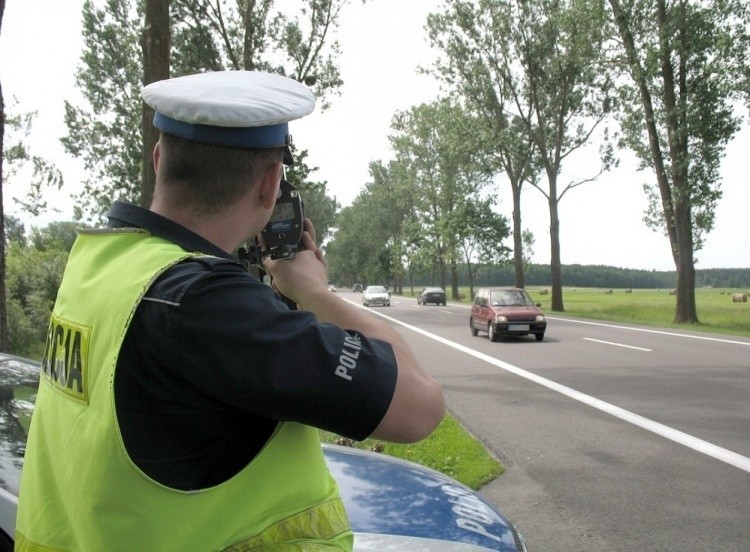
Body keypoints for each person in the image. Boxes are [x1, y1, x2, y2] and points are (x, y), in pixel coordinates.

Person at [15, 71, 445, 552]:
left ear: (159, 161)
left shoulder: (100, 264)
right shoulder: (206, 305)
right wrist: (316, 294)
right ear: (270, 184)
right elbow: (419, 407)